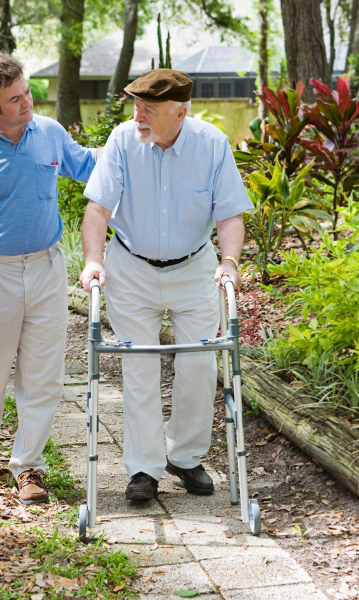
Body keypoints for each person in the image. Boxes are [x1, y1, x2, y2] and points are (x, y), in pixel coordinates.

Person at [78, 69, 252, 502]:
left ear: (180, 112)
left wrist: (229, 262)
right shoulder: (122, 141)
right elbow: (97, 209)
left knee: (200, 364)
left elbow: (230, 215)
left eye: (148, 109)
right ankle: (143, 468)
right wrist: (93, 260)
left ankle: (187, 457)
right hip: (132, 267)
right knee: (139, 367)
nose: (138, 115)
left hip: (194, 267)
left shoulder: (211, 144)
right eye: (136, 106)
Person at [0, 53, 99, 504]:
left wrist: (136, 144)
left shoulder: (48, 132)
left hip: (47, 268)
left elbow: (90, 167)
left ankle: (28, 467)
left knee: (44, 374)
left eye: (27, 92)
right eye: (15, 99)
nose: (27, 103)